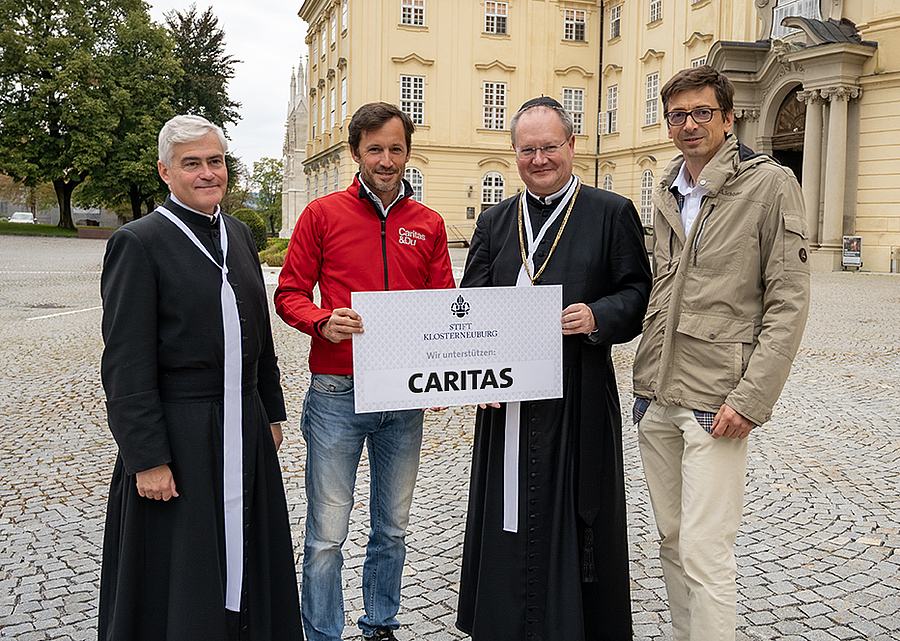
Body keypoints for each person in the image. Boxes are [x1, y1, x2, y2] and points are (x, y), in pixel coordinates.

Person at [98, 115, 303, 640]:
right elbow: (126, 364)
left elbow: (257, 332)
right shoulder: (138, 242)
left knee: (250, 551)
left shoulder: (237, 233)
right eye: (193, 164)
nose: (208, 173)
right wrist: (147, 459)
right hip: (181, 433)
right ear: (166, 171)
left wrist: (271, 410)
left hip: (244, 424)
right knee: (184, 569)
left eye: (216, 161)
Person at [455, 97, 652, 641]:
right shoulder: (495, 220)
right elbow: (470, 297)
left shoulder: (611, 212)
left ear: (571, 146)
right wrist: (475, 367)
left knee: (576, 509)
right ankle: (506, 623)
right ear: (514, 153)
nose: (539, 159)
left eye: (549, 147)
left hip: (579, 390)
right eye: (527, 150)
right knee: (507, 510)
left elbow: (638, 293)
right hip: (506, 394)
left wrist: (596, 315)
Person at [632, 66, 811, 641]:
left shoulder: (769, 184)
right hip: (656, 395)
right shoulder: (665, 188)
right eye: (678, 115)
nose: (689, 125)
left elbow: (788, 301)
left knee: (707, 552)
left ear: (728, 117)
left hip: (718, 401)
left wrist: (752, 400)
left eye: (702, 112)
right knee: (672, 541)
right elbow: (660, 285)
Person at [274, 102, 455, 641]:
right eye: (374, 149)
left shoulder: (428, 223)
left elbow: (443, 303)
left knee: (392, 528)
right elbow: (288, 293)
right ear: (356, 153)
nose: (386, 159)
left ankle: (381, 624)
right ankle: (323, 633)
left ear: (407, 152)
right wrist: (320, 320)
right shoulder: (322, 215)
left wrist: (447, 369)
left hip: (403, 394)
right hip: (337, 391)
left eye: (395, 148)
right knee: (328, 530)